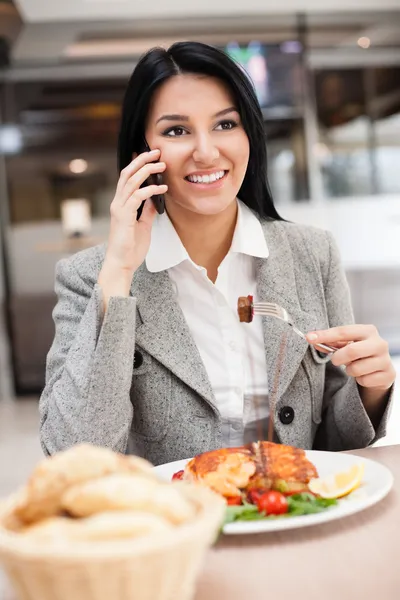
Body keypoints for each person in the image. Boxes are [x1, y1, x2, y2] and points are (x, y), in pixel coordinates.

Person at [39, 42, 396, 465]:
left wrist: (370, 389)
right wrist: (118, 270)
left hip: (293, 515)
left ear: (250, 134)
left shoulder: (312, 252)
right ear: (141, 154)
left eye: (226, 124)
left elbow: (336, 448)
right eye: (176, 131)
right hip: (176, 526)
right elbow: (74, 455)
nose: (206, 152)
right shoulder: (90, 275)